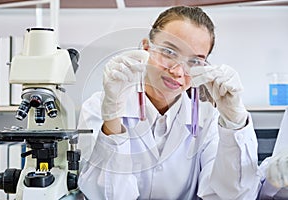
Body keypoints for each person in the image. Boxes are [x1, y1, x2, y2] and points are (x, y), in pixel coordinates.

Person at [77, 6, 263, 199]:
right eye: (169, 52)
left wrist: (235, 122)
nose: (178, 71)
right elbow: (103, 194)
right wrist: (113, 119)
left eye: (194, 61)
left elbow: (233, 194)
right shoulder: (97, 107)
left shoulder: (208, 120)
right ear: (146, 48)